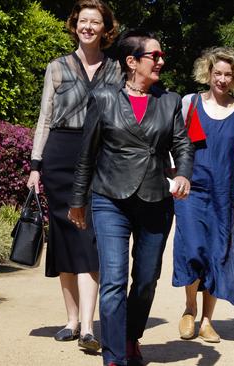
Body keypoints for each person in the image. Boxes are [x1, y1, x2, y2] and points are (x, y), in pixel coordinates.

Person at [68, 29, 194, 366]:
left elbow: (182, 144)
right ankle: (114, 356)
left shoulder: (169, 101)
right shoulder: (104, 98)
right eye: (155, 56)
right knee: (113, 280)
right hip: (110, 199)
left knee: (147, 280)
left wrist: (182, 173)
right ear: (131, 62)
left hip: (155, 200)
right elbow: (86, 154)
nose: (161, 61)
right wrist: (78, 201)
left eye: (161, 55)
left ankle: (130, 336)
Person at [26, 0, 121, 352]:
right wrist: (36, 166)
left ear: (105, 28)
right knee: (65, 238)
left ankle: (88, 326)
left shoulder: (116, 70)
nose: (88, 27)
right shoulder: (57, 67)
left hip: (100, 156)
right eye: (83, 21)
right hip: (60, 155)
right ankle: (72, 321)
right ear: (74, 25)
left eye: (95, 22)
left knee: (91, 236)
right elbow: (45, 118)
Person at [173, 47, 234, 343]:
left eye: (228, 74)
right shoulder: (190, 103)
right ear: (208, 74)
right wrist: (174, 177)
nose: (222, 79)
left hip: (223, 192)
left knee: (217, 252)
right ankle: (189, 308)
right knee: (191, 249)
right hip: (191, 190)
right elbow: (175, 143)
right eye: (217, 74)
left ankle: (207, 321)